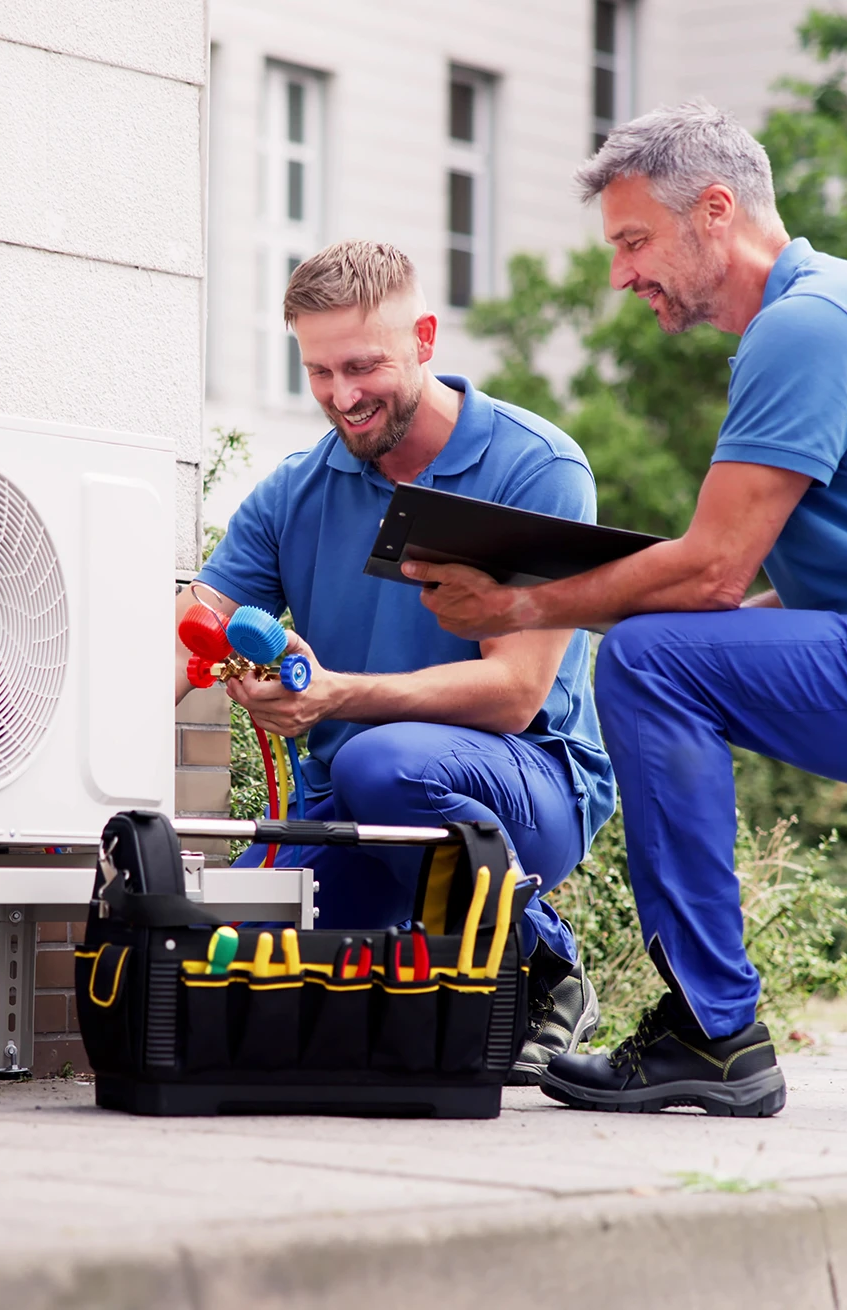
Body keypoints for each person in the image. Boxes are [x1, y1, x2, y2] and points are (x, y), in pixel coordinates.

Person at [404, 100, 842, 1118]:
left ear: (717, 211)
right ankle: (709, 1024)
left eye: (636, 240)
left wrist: (521, 605)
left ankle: (711, 1026)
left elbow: (712, 573)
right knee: (675, 645)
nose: (621, 274)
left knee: (650, 656)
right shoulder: (824, 312)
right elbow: (770, 589)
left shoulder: (804, 325)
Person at [176, 239, 616, 1083]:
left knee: (383, 758)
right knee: (213, 967)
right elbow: (190, 625)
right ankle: (444, 966)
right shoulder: (295, 491)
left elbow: (517, 694)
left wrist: (335, 695)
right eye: (319, 371)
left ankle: (542, 962)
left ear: (424, 336)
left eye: (362, 366)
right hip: (350, 805)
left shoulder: (535, 468)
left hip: (526, 787)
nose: (342, 397)